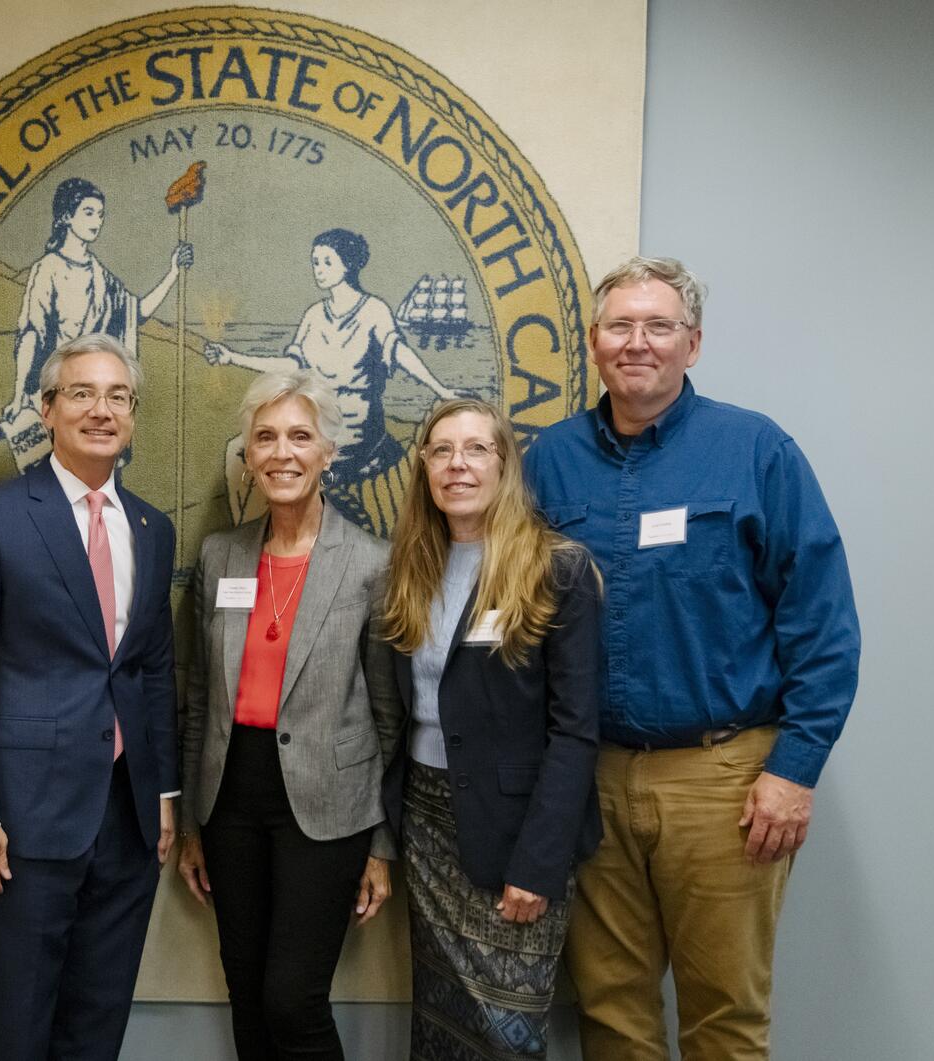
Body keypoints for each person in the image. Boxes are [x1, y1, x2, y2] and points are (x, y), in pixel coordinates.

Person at [524, 256, 860, 1061]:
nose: (638, 343)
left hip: (725, 781)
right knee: (610, 1012)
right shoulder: (548, 461)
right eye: (620, 326)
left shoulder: (755, 449)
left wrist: (794, 769)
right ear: (595, 343)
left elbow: (822, 620)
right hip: (591, 777)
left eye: (659, 326)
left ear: (693, 344)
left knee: (725, 1017)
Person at [0, 332, 179, 1061]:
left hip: (128, 819)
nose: (101, 410)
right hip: (20, 822)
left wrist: (163, 791)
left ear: (133, 414)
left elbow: (154, 669)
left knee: (97, 1022)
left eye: (118, 396)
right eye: (82, 393)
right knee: (19, 1022)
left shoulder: (151, 528)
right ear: (46, 408)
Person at [176, 370, 403, 1060]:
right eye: (265, 436)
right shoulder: (220, 556)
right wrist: (191, 821)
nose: (282, 452)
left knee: (291, 997)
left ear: (328, 452)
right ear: (247, 453)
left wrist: (381, 844)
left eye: (300, 436)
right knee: (246, 993)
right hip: (229, 801)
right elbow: (198, 702)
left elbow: (389, 716)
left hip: (328, 807)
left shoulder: (371, 562)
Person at [380, 397, 602, 1060]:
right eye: (441, 450)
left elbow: (575, 731)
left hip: (517, 833)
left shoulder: (558, 569)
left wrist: (539, 862)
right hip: (426, 823)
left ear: (505, 465)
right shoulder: (408, 570)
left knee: (507, 1031)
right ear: (424, 468)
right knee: (442, 1019)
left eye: (477, 448)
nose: (457, 465)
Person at [202, 227, 458, 533]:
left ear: (347, 265)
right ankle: (249, 541)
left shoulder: (373, 311)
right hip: (316, 429)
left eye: (326, 262)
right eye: (315, 262)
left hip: (356, 432)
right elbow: (291, 364)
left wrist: (440, 389)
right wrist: (232, 356)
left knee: (287, 453)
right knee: (237, 450)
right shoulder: (314, 316)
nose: (318, 270)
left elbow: (400, 352)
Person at [0, 176, 193, 463]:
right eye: (88, 212)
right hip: (60, 402)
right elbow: (31, 333)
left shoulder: (102, 276)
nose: (96, 221)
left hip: (100, 410)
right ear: (66, 216)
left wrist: (174, 271)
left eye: (100, 214)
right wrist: (17, 397)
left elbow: (134, 313)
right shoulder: (48, 269)